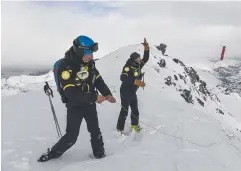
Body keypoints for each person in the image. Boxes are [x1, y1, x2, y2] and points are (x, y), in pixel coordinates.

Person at [38, 35, 116, 162]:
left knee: (95, 131)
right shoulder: (66, 67)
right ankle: (53, 153)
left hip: (90, 103)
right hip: (75, 106)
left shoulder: (89, 63)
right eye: (89, 53)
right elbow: (72, 94)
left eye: (92, 53)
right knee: (71, 136)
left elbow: (98, 80)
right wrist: (95, 97)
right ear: (80, 51)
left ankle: (100, 156)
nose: (91, 56)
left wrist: (107, 94)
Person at [116, 38, 150, 134]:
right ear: (134, 59)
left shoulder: (138, 65)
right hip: (125, 91)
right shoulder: (128, 67)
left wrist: (146, 48)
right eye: (138, 58)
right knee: (125, 110)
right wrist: (137, 82)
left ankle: (134, 126)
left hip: (132, 92)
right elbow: (123, 78)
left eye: (139, 57)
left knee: (135, 110)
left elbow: (146, 59)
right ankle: (120, 128)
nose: (140, 59)